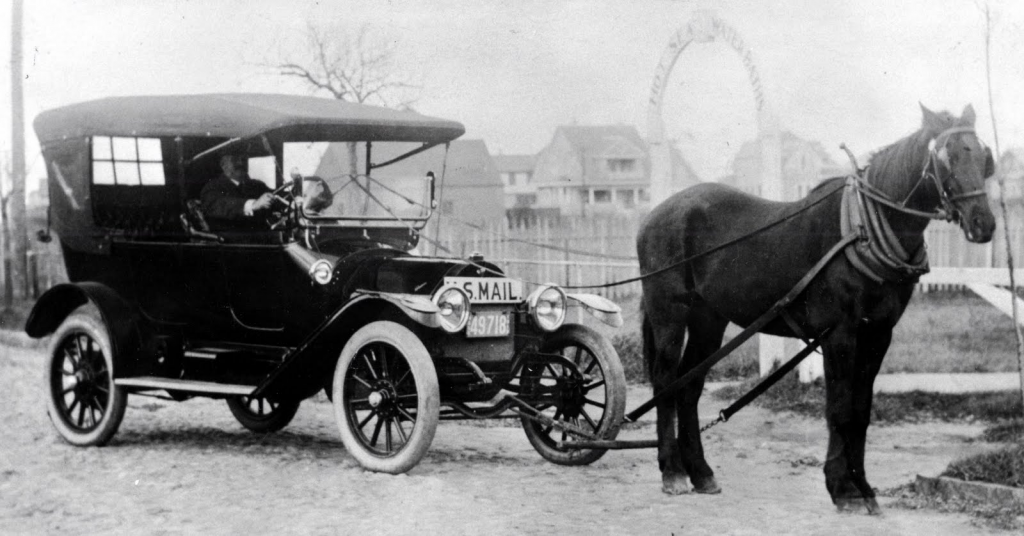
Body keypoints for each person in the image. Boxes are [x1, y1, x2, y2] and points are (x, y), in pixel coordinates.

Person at [200, 153, 275, 231]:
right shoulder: (212, 187)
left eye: (243, 159)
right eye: (234, 160)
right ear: (223, 165)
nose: (240, 163)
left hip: (264, 236)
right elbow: (219, 205)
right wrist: (252, 205)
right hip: (230, 239)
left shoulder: (257, 185)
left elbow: (277, 196)